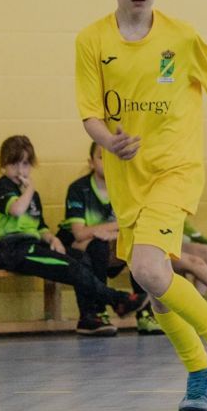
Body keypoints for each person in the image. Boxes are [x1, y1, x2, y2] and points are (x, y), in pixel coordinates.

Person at [75, 0, 207, 411]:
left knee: (148, 269)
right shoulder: (92, 41)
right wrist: (108, 140)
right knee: (156, 287)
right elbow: (90, 113)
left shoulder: (181, 37)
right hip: (127, 180)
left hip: (175, 171)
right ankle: (199, 373)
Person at [0, 136, 146, 333]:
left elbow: (40, 227)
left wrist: (53, 239)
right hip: (9, 249)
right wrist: (30, 189)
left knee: (81, 259)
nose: (20, 171)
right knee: (70, 267)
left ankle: (89, 317)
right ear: (3, 165)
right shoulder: (2, 186)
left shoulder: (31, 196)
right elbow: (17, 210)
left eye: (25, 164)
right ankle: (117, 299)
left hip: (31, 245)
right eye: (14, 164)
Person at [56, 141, 140, 336]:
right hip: (76, 246)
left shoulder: (125, 189)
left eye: (112, 158)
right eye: (102, 158)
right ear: (91, 162)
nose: (108, 163)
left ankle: (146, 312)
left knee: (139, 246)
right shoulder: (79, 189)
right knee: (98, 246)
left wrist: (111, 232)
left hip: (112, 244)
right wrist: (116, 226)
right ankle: (97, 311)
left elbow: (135, 225)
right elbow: (79, 233)